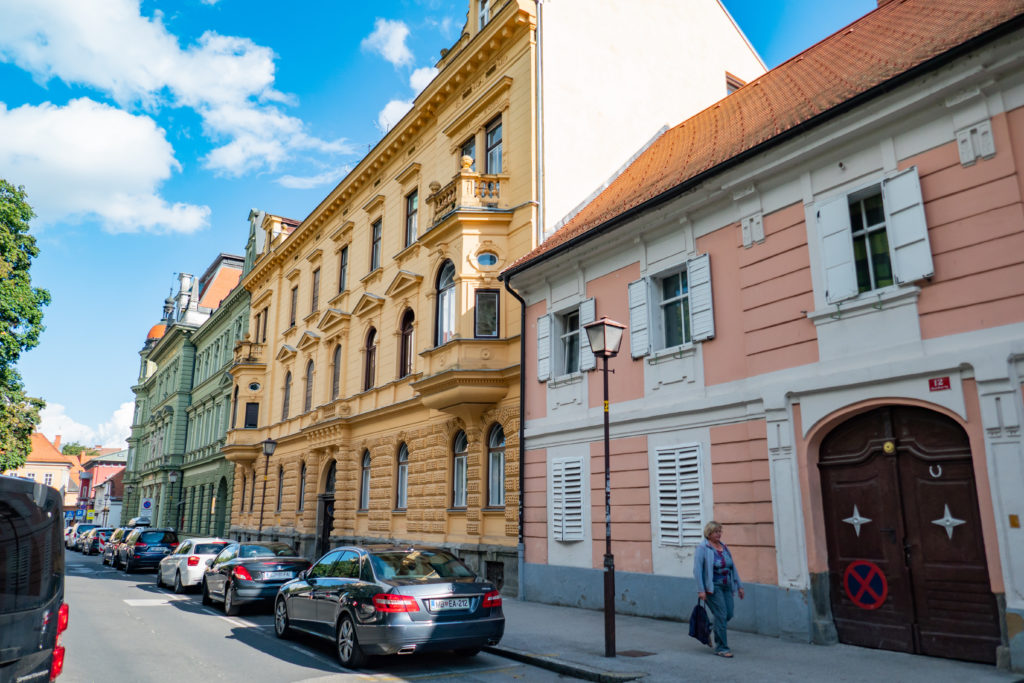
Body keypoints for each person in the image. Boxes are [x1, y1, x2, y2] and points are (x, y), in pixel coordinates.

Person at [694, 520, 744, 657]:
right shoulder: (702, 548)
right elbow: (697, 570)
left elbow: (732, 567)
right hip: (713, 587)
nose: (719, 534)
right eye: (716, 532)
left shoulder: (724, 547)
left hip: (727, 586)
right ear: (709, 533)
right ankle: (722, 648)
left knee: (728, 614)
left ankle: (709, 628)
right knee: (721, 615)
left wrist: (739, 586)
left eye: (720, 531)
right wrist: (701, 590)